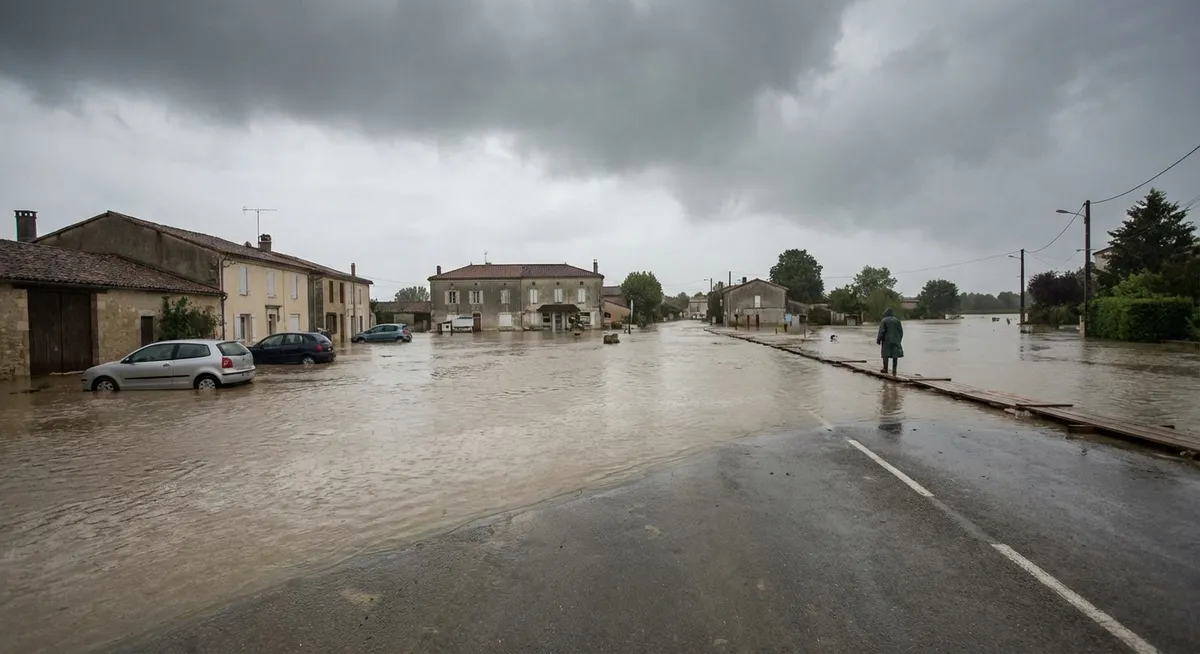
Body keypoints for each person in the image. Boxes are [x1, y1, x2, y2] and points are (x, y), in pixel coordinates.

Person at [876, 307, 904, 375]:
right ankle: (894, 370)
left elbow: (881, 331)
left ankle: (885, 369)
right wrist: (899, 340)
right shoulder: (897, 321)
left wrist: (879, 339)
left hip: (887, 341)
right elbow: (901, 332)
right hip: (896, 340)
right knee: (895, 355)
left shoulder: (884, 320)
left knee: (885, 354)